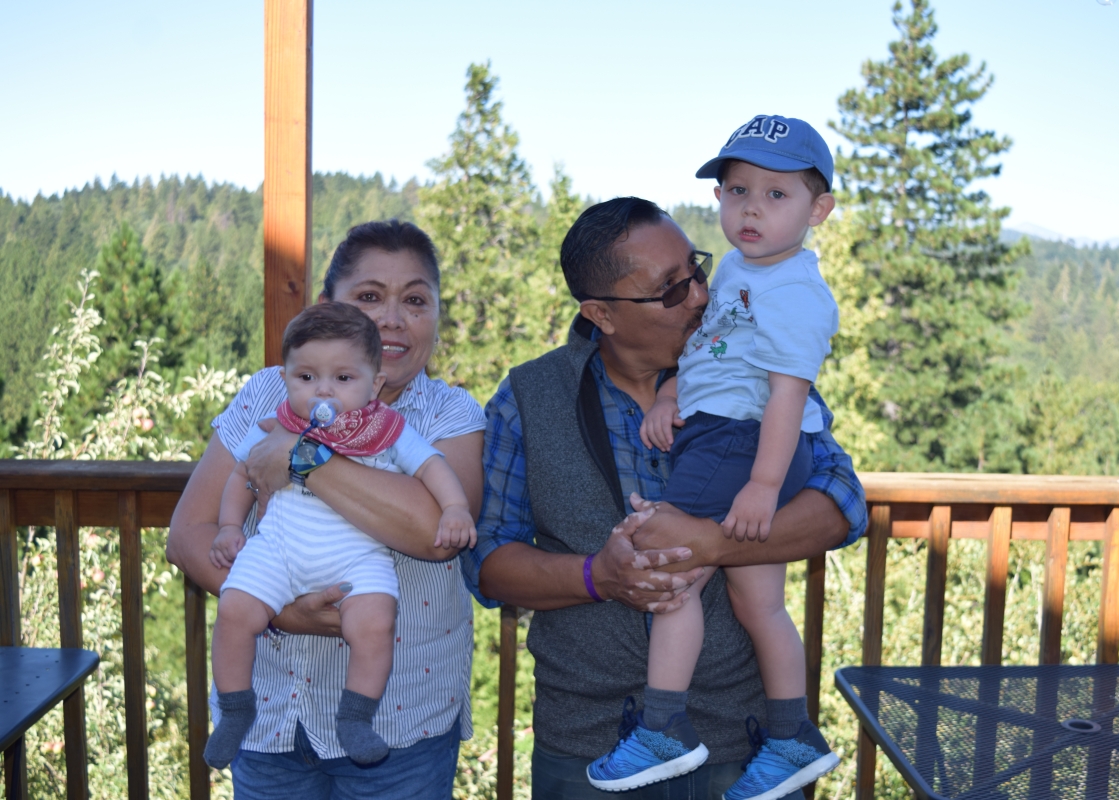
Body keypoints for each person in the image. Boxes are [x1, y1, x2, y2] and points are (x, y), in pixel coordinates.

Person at [465, 196, 867, 800]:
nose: (701, 296)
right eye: (671, 289)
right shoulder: (529, 397)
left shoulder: (754, 366)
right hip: (585, 742)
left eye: (697, 271)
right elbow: (489, 563)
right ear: (601, 313)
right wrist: (599, 576)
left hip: (744, 744)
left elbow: (843, 502)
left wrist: (711, 543)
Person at [167, 220, 485, 799]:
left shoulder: (451, 414)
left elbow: (433, 534)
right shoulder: (266, 393)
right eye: (369, 296)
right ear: (325, 308)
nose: (393, 318)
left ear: (438, 314)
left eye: (416, 300)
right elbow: (188, 534)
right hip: (269, 717)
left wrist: (301, 455)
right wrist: (283, 612)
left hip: (400, 725)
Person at [587, 115, 841, 800]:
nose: (751, 209)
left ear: (818, 210)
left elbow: (787, 396)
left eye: (776, 194)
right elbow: (715, 352)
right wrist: (673, 393)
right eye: (737, 191)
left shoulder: (796, 292)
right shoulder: (737, 268)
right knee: (760, 602)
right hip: (721, 431)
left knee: (667, 564)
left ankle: (665, 727)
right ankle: (792, 737)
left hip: (743, 442)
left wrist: (762, 483)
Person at [203, 302, 476, 769]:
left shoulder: (386, 429)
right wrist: (230, 526)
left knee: (375, 622)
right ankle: (235, 709)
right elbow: (240, 475)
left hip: (356, 557)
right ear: (286, 379)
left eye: (343, 378)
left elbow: (432, 466)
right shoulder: (277, 423)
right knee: (233, 610)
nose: (323, 390)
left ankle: (355, 717)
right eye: (306, 377)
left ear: (375, 383)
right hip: (278, 550)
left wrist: (454, 507)